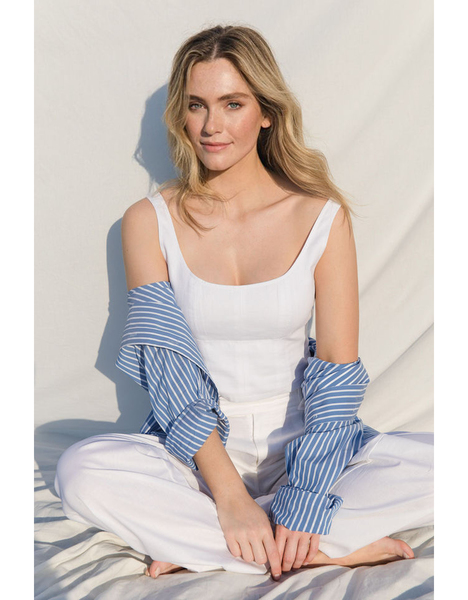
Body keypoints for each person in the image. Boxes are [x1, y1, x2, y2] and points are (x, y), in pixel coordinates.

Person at [54, 24, 433, 582]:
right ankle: (321, 548)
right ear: (181, 116)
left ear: (266, 112)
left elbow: (336, 373)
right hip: (197, 453)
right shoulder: (148, 221)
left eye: (232, 104)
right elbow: (169, 372)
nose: (212, 125)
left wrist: (306, 496)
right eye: (197, 105)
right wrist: (230, 497)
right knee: (80, 471)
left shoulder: (320, 216)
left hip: (303, 446)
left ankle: (218, 543)